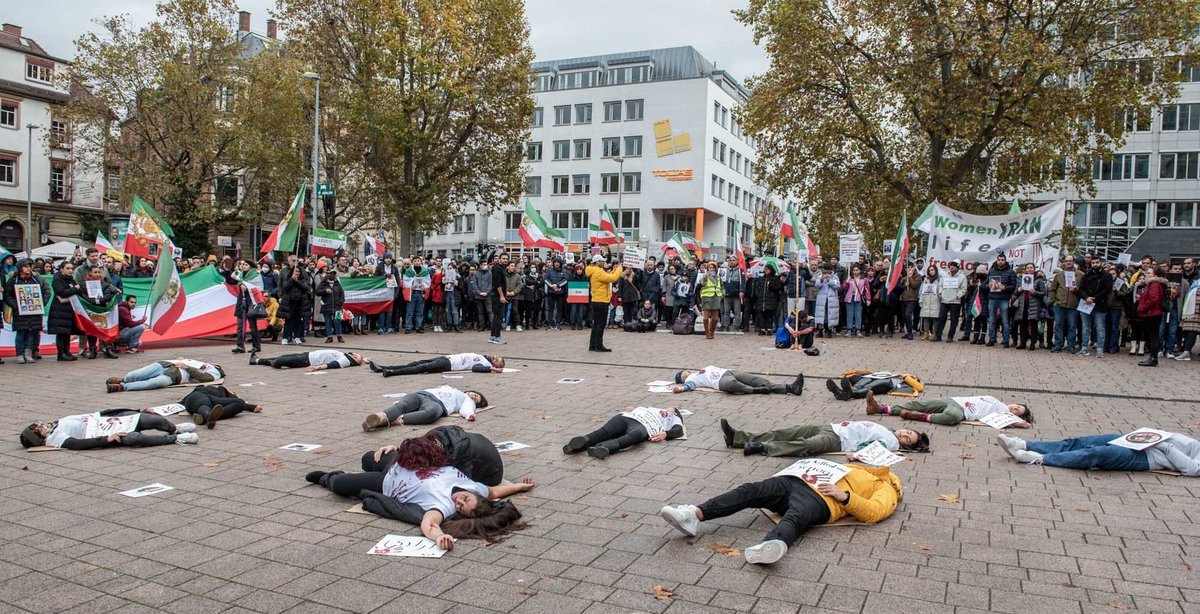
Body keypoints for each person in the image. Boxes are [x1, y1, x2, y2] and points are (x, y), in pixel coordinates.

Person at [304, 435, 534, 547]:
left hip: (384, 483)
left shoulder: (442, 506)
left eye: (461, 507)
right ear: (474, 493)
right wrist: (521, 486)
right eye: (466, 498)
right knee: (367, 458)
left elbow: (429, 524)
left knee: (340, 485)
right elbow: (496, 492)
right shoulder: (476, 487)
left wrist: (439, 537)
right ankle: (371, 460)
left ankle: (327, 477)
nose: (459, 501)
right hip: (402, 462)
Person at [659, 463, 902, 564]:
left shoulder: (886, 485)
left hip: (821, 498)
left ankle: (771, 546)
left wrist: (845, 497)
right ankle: (693, 515)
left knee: (796, 517)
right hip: (793, 480)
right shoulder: (859, 465)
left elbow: (876, 511)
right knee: (750, 491)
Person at [996, 432, 1199, 476]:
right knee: (1081, 441)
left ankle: (1036, 458)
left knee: (1096, 454)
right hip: (1140, 440)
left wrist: (1163, 445)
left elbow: (1192, 469)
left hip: (1148, 457)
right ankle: (1024, 443)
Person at [720, 418, 930, 457]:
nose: (903, 435)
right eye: (908, 432)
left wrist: (855, 455)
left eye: (907, 440)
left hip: (838, 441)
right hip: (831, 427)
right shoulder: (890, 430)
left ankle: (760, 447)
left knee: (804, 446)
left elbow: (869, 446)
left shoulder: (891, 443)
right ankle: (737, 437)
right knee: (786, 431)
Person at [19, 409, 199, 449]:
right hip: (105, 432)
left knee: (150, 419)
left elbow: (92, 415)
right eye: (39, 428)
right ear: (39, 438)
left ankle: (174, 429)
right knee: (134, 439)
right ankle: (175, 439)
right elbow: (76, 444)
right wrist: (107, 439)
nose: (43, 424)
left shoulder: (55, 423)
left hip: (108, 420)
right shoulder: (55, 438)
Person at [562, 406, 686, 459]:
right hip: (629, 417)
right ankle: (585, 442)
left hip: (645, 426)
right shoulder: (653, 408)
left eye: (671, 408)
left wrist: (666, 434)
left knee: (631, 436)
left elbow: (678, 430)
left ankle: (601, 446)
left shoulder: (673, 418)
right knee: (606, 431)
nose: (668, 407)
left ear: (675, 412)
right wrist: (634, 408)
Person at [866, 391, 1031, 427]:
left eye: (1017, 411)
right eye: (1016, 406)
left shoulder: (1004, 415)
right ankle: (880, 409)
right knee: (920, 404)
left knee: (951, 418)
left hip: (962, 412)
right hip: (954, 399)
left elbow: (1018, 424)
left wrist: (1021, 422)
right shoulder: (997, 400)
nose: (1014, 409)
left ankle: (918, 417)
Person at [361, 386, 488, 428]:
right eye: (475, 394)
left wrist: (469, 414)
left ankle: (391, 420)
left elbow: (466, 408)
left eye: (476, 399)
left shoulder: (466, 400)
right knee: (403, 404)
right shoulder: (453, 388)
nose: (473, 396)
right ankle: (380, 416)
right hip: (422, 394)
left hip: (437, 404)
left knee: (430, 413)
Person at [3, 259, 48, 364]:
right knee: (21, 333)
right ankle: (19, 354)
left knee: (32, 332)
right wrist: (15, 306)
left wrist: (41, 303)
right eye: (26, 266)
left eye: (30, 266)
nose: (28, 268)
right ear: (20, 268)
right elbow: (7, 295)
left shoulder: (37, 279)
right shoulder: (13, 280)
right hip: (20, 312)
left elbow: (46, 291)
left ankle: (28, 353)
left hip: (34, 311)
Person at [107, 359, 225, 393]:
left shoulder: (215, 372)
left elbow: (206, 378)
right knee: (136, 374)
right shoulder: (202, 363)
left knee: (153, 383)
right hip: (166, 365)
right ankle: (125, 379)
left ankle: (123, 387)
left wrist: (187, 367)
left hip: (176, 375)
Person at [671, 366, 804, 396]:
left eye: (684, 373)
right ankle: (757, 390)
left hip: (727, 372)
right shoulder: (691, 378)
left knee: (755, 379)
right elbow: (690, 386)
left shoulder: (696, 371)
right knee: (733, 385)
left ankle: (789, 388)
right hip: (721, 380)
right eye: (682, 376)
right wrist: (681, 388)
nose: (685, 374)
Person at [586, 254, 623, 352]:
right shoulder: (598, 271)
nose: (604, 262)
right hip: (601, 300)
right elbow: (612, 278)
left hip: (597, 300)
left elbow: (609, 275)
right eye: (602, 261)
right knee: (600, 324)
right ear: (598, 262)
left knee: (596, 323)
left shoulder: (594, 270)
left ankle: (593, 345)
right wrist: (619, 269)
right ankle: (598, 345)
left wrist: (615, 269)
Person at [1133, 264, 1168, 367]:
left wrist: (1142, 307)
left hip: (1152, 313)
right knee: (1152, 335)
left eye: (1148, 273)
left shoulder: (1154, 284)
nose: (1146, 275)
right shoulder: (1154, 284)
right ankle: (1152, 357)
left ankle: (1153, 357)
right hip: (1152, 312)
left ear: (1155, 275)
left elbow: (1154, 299)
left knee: (1153, 335)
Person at [182, 384, 262, 428]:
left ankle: (209, 417)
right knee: (204, 402)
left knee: (240, 403)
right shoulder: (216, 389)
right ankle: (208, 415)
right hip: (196, 397)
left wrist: (251, 407)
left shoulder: (225, 396)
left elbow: (240, 403)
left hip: (213, 402)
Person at [1077, 256, 1112, 357]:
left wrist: (1094, 298)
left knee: (1100, 327)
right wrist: (1086, 297)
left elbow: (1107, 290)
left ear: (1100, 263)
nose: (1095, 264)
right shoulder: (1087, 275)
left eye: (1097, 262)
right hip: (1086, 304)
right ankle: (1084, 347)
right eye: (1093, 263)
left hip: (1100, 304)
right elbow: (1081, 288)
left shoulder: (1106, 275)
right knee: (1085, 327)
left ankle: (1100, 349)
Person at [366, 352, 505, 377]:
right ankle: (383, 368)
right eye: (497, 357)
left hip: (448, 364)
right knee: (418, 363)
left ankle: (392, 372)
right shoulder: (483, 357)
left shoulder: (484, 363)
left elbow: (475, 368)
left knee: (421, 368)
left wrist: (490, 369)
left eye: (496, 360)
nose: (495, 357)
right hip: (447, 358)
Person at [1047, 257, 1081, 353]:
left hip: (1073, 305)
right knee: (1058, 326)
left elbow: (1084, 289)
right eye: (1066, 261)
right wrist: (1054, 301)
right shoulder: (1059, 275)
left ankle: (1071, 346)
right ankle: (1058, 345)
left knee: (1072, 326)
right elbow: (1052, 289)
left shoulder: (1080, 275)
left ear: (1073, 262)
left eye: (1070, 261)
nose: (1068, 263)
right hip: (1059, 305)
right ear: (1064, 263)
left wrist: (1077, 290)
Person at [825, 370, 923, 401]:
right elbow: (866, 372)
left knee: (870, 387)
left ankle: (850, 393)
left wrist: (905, 376)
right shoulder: (890, 373)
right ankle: (843, 392)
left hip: (889, 383)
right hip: (876, 376)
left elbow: (919, 387)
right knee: (861, 383)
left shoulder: (908, 378)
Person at [985, 254, 1017, 347]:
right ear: (997, 260)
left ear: (1005, 261)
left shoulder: (1010, 272)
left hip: (1004, 299)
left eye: (1002, 260)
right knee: (991, 320)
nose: (1000, 261)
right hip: (992, 297)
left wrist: (1005, 287)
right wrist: (989, 285)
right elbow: (984, 285)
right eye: (999, 260)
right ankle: (992, 339)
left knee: (1005, 321)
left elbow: (1013, 286)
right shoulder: (992, 271)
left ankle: (1006, 340)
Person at [935, 261, 968, 342]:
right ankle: (938, 335)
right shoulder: (945, 275)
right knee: (941, 318)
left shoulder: (962, 277)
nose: (951, 267)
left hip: (955, 302)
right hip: (944, 300)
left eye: (953, 266)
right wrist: (940, 293)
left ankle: (950, 336)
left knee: (954, 320)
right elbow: (940, 285)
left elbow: (964, 289)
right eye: (950, 266)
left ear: (957, 267)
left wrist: (957, 296)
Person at [249, 348, 365, 370]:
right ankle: (257, 361)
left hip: (308, 360)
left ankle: (269, 363)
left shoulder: (346, 361)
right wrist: (365, 360)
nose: (356, 354)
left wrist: (317, 367)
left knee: (279, 362)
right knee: (282, 357)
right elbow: (364, 359)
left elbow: (332, 365)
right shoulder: (346, 355)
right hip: (308, 355)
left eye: (358, 356)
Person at [280, 263, 310, 345]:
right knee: (288, 320)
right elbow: (285, 287)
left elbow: (305, 288)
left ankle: (297, 336)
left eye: (298, 271)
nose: (297, 273)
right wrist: (292, 280)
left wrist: (297, 281)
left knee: (298, 320)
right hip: (290, 302)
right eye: (295, 271)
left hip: (299, 302)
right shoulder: (288, 278)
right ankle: (286, 337)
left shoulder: (302, 279)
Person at [317, 268, 346, 343]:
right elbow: (317, 292)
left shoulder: (337, 284)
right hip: (326, 306)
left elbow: (342, 294)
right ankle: (329, 336)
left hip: (337, 306)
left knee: (337, 321)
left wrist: (340, 302)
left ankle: (339, 336)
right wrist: (325, 291)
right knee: (328, 321)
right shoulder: (323, 284)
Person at [697, 261, 725, 339]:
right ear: (707, 269)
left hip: (716, 298)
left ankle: (712, 332)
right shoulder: (705, 276)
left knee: (715, 317)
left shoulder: (719, 278)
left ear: (715, 269)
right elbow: (702, 283)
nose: (711, 269)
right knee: (706, 316)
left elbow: (722, 286)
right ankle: (707, 333)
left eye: (713, 268)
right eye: (710, 268)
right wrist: (705, 276)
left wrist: (722, 294)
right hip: (707, 298)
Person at [842, 264, 870, 337]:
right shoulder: (849, 278)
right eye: (854, 270)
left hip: (858, 298)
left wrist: (868, 299)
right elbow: (844, 288)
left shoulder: (864, 279)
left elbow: (867, 290)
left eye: (857, 270)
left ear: (860, 271)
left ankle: (858, 329)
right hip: (849, 298)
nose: (855, 272)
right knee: (849, 314)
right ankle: (849, 329)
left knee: (858, 314)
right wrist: (846, 283)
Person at [812, 265, 840, 336]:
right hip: (822, 299)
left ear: (831, 270)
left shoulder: (835, 277)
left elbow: (837, 286)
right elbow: (816, 286)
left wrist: (829, 280)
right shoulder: (820, 276)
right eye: (825, 270)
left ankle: (829, 330)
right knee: (821, 314)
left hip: (831, 299)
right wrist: (821, 280)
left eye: (828, 270)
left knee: (829, 314)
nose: (826, 272)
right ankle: (820, 330)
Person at [489, 252, 509, 344]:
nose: (505, 260)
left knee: (496, 317)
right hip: (497, 296)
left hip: (497, 295)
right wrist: (501, 296)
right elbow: (498, 284)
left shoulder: (500, 268)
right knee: (499, 317)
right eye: (503, 258)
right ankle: (497, 337)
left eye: (506, 258)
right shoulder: (498, 269)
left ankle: (492, 336)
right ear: (499, 259)